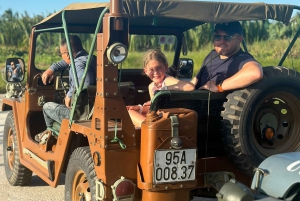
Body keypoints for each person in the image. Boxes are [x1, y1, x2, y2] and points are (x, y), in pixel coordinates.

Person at [35, 35, 96, 144]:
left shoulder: (77, 64)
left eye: (61, 54)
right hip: (95, 109)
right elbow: (67, 61)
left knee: (46, 106)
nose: (61, 57)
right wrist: (52, 69)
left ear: (67, 54)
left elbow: (86, 82)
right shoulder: (91, 58)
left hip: (81, 113)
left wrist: (69, 94)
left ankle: (50, 132)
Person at [127, 49, 194, 127]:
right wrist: (140, 108)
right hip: (159, 116)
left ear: (166, 67)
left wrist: (165, 88)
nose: (155, 73)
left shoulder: (167, 80)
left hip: (169, 118)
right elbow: (154, 109)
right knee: (130, 112)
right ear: (145, 71)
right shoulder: (151, 86)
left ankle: (150, 130)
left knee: (134, 117)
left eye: (159, 68)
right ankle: (149, 129)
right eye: (151, 69)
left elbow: (190, 86)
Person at [191, 21, 263, 92]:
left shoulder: (242, 58)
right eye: (218, 36)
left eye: (227, 37)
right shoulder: (212, 54)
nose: (221, 41)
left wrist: (219, 86)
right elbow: (195, 81)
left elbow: (255, 73)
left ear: (239, 39)